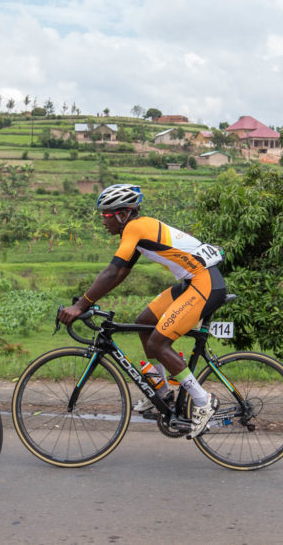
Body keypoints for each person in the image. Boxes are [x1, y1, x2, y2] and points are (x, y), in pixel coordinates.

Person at [57, 184, 227, 439]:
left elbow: (112, 271)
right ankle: (162, 392)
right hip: (193, 282)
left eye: (106, 215)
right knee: (145, 321)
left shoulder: (135, 227)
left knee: (159, 342)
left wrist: (81, 305)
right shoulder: (137, 230)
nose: (103, 221)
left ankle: (204, 401)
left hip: (205, 284)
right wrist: (86, 302)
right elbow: (122, 272)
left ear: (123, 214)